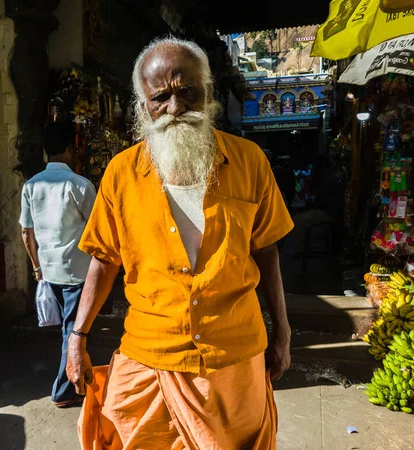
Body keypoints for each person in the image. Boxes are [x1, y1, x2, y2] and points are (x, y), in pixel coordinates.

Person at [67, 37, 294, 449]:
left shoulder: (250, 161)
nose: (175, 109)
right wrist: (77, 337)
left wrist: (283, 332)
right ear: (142, 108)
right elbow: (104, 260)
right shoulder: (121, 173)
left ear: (208, 94)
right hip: (149, 354)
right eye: (160, 97)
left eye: (187, 92)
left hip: (235, 357)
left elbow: (267, 250)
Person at [20, 121, 96, 408]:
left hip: (49, 271)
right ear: (70, 149)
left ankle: (78, 379)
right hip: (76, 272)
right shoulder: (79, 185)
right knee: (73, 331)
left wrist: (37, 267)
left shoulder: (31, 186)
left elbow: (26, 233)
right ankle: (64, 390)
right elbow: (97, 228)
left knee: (69, 329)